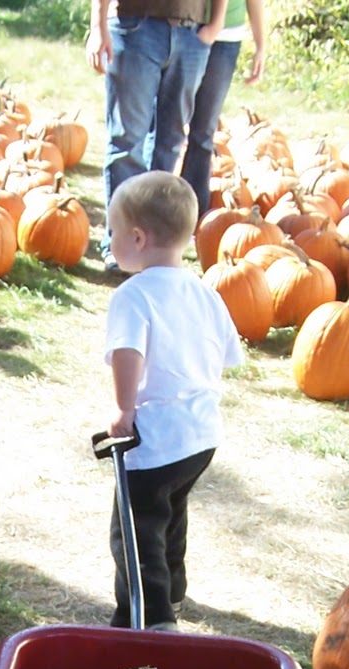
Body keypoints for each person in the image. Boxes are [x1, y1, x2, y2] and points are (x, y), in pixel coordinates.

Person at [101, 171, 244, 630]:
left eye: (113, 231)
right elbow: (225, 355)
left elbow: (129, 353)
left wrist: (125, 409)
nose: (110, 240)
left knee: (135, 531)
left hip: (155, 439)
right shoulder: (205, 292)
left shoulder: (134, 295)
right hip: (200, 436)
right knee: (170, 515)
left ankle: (151, 619)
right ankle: (175, 593)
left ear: (137, 237)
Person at [86, 0, 227, 272]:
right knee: (127, 141)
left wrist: (215, 24)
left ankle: (154, 248)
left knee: (171, 142)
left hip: (190, 33)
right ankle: (121, 245)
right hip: (134, 24)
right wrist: (98, 25)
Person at [153, 0, 266, 217]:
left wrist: (260, 46)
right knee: (164, 126)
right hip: (180, 26)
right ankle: (151, 206)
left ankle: (190, 215)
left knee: (204, 130)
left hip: (224, 37)